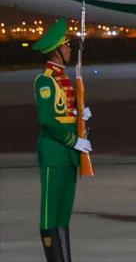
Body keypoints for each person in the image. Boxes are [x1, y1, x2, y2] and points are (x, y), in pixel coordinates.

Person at [32, 20, 93, 262]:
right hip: (55, 151)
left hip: (67, 154)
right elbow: (47, 119)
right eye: (66, 46)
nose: (69, 49)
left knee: (63, 212)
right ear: (56, 51)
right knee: (50, 213)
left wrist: (79, 114)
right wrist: (73, 140)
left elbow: (64, 112)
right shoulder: (45, 81)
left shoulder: (64, 79)